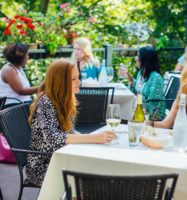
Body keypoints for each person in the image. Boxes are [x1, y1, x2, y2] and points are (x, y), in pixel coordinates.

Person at [26, 58, 116, 186]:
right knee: (93, 172)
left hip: (62, 156)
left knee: (98, 164)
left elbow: (71, 132)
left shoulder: (66, 99)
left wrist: (96, 138)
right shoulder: (45, 102)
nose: (79, 81)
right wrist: (93, 138)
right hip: (44, 165)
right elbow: (52, 138)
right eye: (73, 79)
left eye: (78, 77)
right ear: (60, 82)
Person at [127, 46, 166, 121]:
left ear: (145, 60)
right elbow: (138, 91)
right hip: (140, 111)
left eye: (138, 56)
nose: (136, 58)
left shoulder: (156, 78)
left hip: (153, 117)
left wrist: (137, 102)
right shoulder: (141, 73)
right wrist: (131, 81)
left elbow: (153, 105)